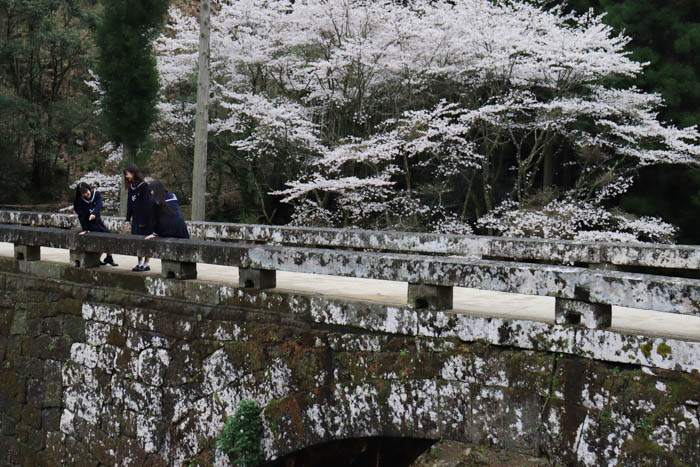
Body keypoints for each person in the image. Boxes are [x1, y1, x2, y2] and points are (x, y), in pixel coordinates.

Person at [73, 182, 118, 266]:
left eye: (87, 192)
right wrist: (85, 229)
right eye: (83, 194)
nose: (86, 194)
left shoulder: (96, 194)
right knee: (98, 240)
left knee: (110, 236)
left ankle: (109, 257)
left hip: (98, 222)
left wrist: (94, 213)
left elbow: (99, 204)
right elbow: (81, 216)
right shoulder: (79, 201)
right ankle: (97, 259)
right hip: (89, 225)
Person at [124, 164, 152, 271]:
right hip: (135, 218)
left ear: (133, 173)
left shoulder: (144, 186)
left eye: (128, 174)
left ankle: (146, 263)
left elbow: (147, 205)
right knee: (137, 241)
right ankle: (139, 262)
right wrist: (127, 219)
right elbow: (129, 204)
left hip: (145, 218)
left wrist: (144, 220)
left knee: (145, 241)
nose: (127, 176)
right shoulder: (131, 187)